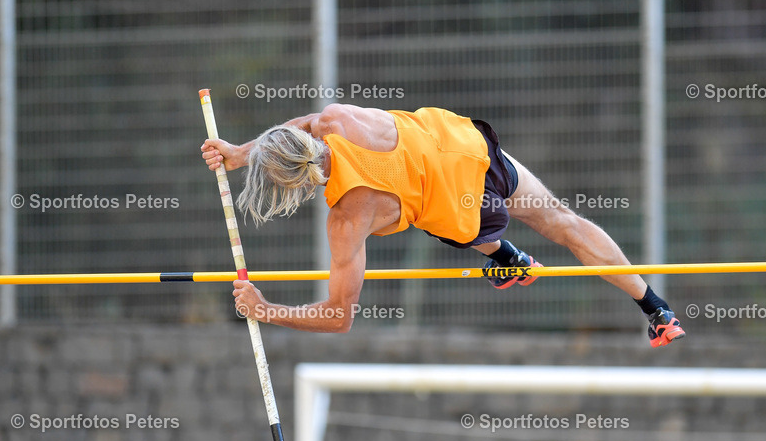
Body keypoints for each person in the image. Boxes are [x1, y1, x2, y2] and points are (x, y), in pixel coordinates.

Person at [201, 104, 684, 347]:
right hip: (469, 148)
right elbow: (301, 124)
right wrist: (242, 153)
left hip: (466, 208)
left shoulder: (348, 218)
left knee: (439, 216)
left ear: (295, 187)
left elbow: (339, 316)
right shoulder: (334, 120)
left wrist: (266, 310)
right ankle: (657, 310)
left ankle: (508, 258)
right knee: (564, 222)